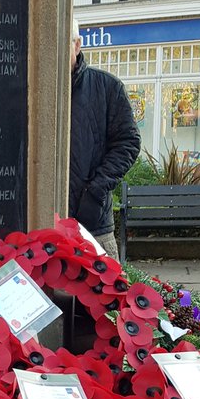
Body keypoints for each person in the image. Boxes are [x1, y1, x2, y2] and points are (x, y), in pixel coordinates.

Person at [69, 21, 141, 259]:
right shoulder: (27, 87)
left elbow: (128, 143)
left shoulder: (107, 88)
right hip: (39, 228)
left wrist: (95, 191)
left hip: (93, 224)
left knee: (105, 293)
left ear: (77, 45)